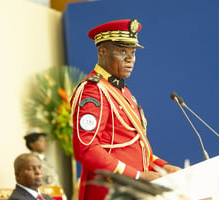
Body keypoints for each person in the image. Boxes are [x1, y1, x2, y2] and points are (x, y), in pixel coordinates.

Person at [70, 19, 181, 200]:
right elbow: (87, 149)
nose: (130, 59)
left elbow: (134, 146)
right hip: (108, 192)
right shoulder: (94, 90)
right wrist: (138, 176)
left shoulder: (122, 91)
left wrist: (163, 166)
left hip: (131, 191)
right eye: (122, 51)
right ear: (102, 51)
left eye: (133, 52)